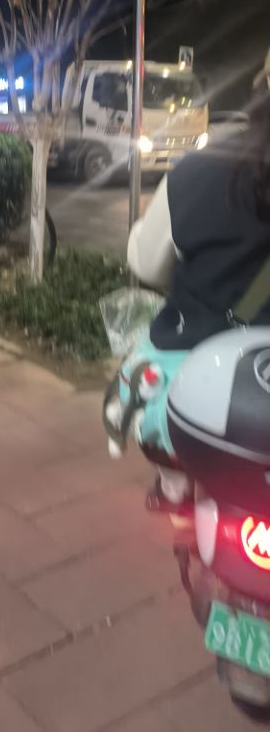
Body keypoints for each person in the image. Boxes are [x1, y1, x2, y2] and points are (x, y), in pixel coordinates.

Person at [109, 49, 270, 506]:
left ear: (259, 92)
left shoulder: (196, 170)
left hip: (194, 389)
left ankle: (173, 486)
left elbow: (145, 264)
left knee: (142, 381)